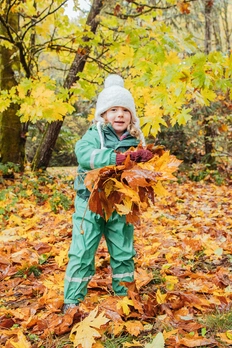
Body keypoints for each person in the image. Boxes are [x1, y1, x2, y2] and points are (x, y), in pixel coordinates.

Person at [63, 74, 153, 313]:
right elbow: (84, 155)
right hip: (89, 202)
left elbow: (141, 173)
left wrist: (146, 161)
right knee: (82, 251)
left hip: (121, 204)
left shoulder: (135, 139)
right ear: (103, 114)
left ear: (132, 115)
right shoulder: (95, 134)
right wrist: (117, 158)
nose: (120, 114)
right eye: (113, 109)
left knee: (123, 250)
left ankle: (125, 294)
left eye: (125, 110)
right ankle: (72, 299)